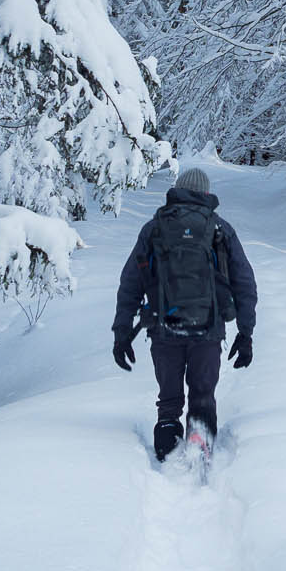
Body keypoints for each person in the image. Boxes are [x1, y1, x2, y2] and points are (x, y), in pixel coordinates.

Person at [111, 167, 257, 461]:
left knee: (169, 398)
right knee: (203, 394)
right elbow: (244, 282)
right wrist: (246, 332)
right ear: (206, 193)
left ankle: (167, 434)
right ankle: (200, 433)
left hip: (164, 328)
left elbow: (131, 282)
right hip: (209, 328)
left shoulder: (155, 228)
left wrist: (122, 332)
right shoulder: (219, 228)